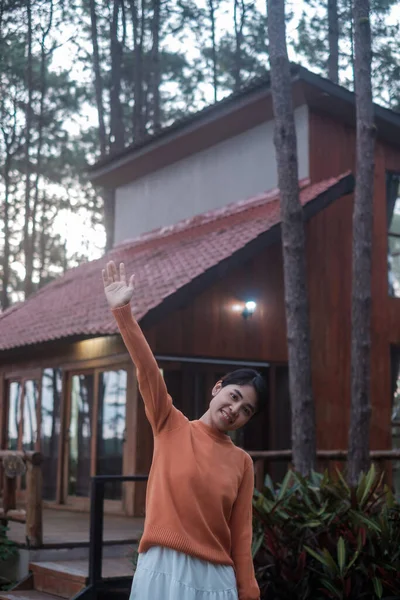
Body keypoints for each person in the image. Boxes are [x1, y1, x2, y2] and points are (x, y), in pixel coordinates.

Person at [102, 261, 265, 600]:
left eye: (246, 409)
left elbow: (241, 532)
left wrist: (248, 591)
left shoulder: (242, 463)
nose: (235, 410)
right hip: (163, 569)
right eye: (234, 397)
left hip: (216, 580)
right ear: (217, 388)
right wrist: (124, 315)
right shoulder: (170, 425)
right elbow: (147, 371)